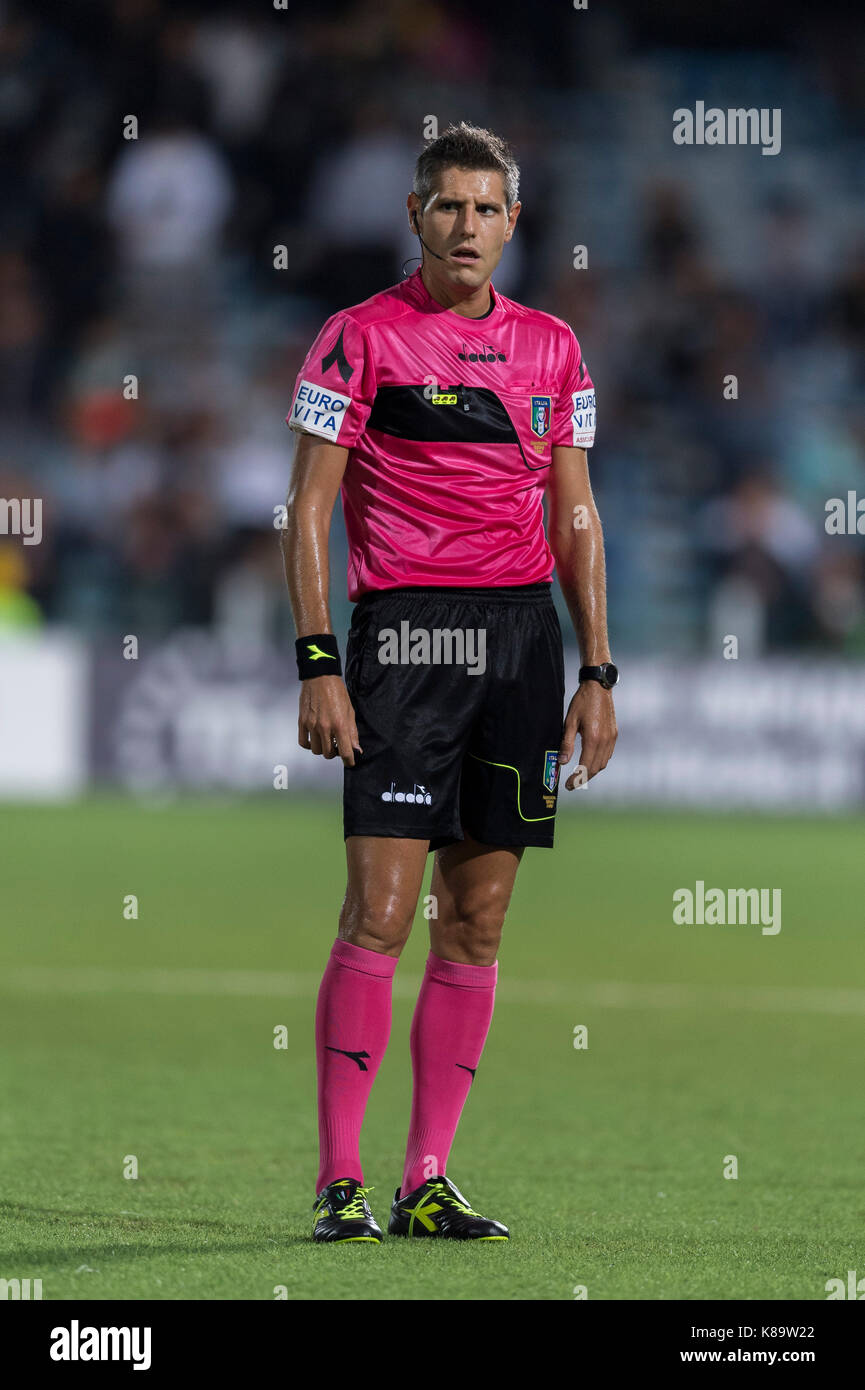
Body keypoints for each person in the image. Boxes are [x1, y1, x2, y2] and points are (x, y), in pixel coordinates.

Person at [281, 122, 617, 1243]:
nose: (466, 226)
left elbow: (575, 517)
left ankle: (427, 1177)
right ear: (414, 219)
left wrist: (598, 667)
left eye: (486, 209)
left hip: (522, 645)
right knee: (379, 912)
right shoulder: (356, 340)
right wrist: (318, 660)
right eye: (447, 207)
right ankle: (340, 1183)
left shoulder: (555, 349)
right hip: (404, 641)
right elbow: (310, 512)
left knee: (474, 923)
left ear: (513, 224)